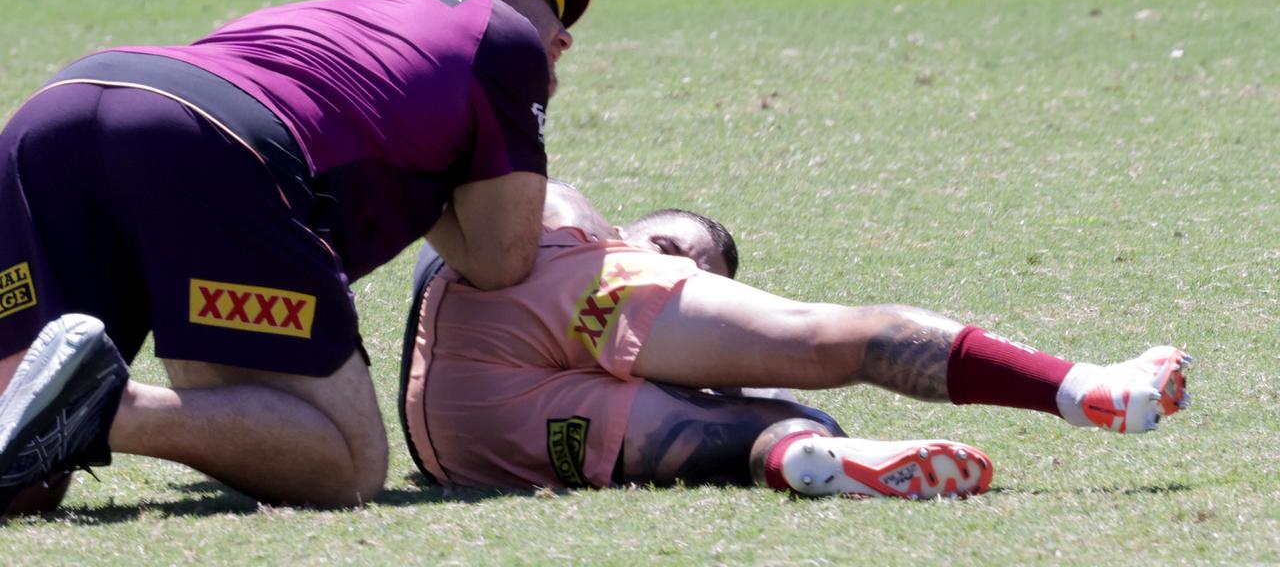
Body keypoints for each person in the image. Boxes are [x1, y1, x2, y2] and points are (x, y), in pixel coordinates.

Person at [0, 0, 590, 511]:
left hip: (62, 108)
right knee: (347, 464)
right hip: (206, 140)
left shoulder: (324, 18)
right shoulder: (502, 33)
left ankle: (47, 401)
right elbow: (500, 260)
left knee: (21, 483)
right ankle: (109, 408)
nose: (565, 33)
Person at [399, 183, 1192, 497]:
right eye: (670, 251)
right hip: (509, 308)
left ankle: (813, 462)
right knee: (823, 340)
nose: (679, 271)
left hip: (457, 439)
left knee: (745, 436)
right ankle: (1085, 386)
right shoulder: (588, 242)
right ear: (633, 231)